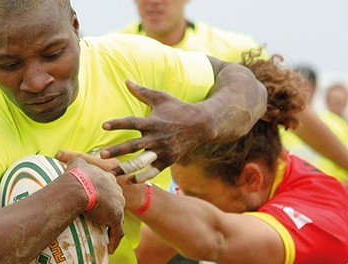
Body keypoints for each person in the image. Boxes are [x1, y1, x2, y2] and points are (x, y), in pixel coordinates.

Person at [0, 0, 269, 263]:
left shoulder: (127, 62)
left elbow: (247, 86)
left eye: (53, 53)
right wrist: (79, 189)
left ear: (75, 26)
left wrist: (198, 122)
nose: (37, 81)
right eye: (10, 64)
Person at [128, 52, 348, 263]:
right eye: (182, 189)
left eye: (197, 195)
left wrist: (132, 190)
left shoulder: (319, 220)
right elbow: (146, 254)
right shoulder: (230, 177)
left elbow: (217, 239)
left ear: (252, 179)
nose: (185, 200)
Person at [120, 0, 348, 189]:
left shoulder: (234, 50)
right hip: (132, 200)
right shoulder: (114, 50)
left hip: (212, 207)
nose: (154, 2)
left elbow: (290, 108)